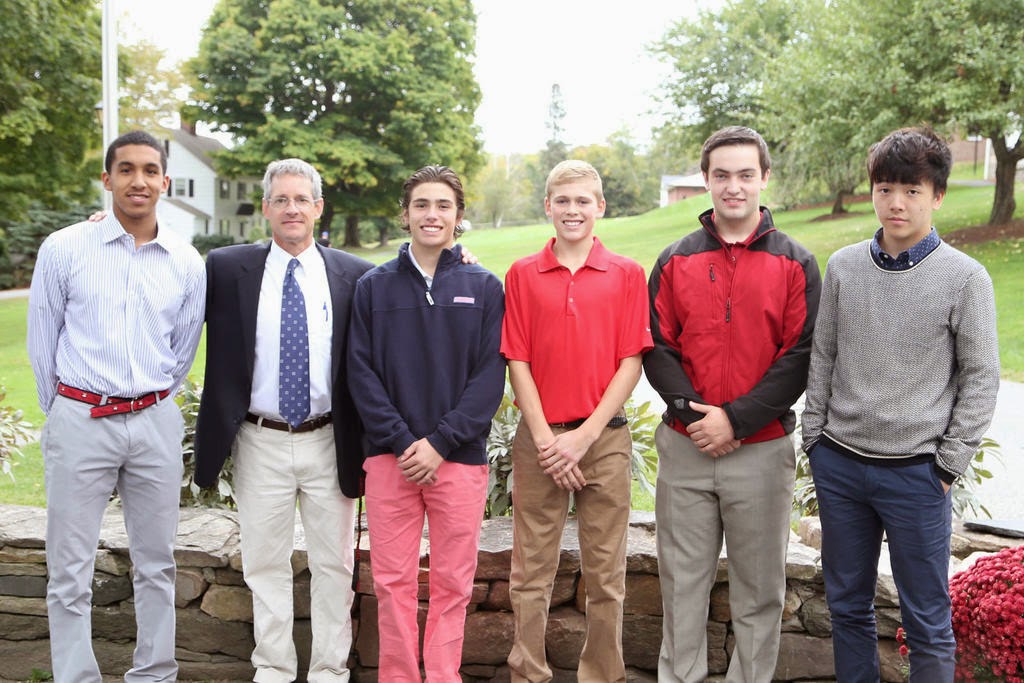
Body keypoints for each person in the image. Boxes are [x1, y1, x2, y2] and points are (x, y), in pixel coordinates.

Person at [801, 128, 1000, 682]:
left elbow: (981, 378)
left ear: (937, 196)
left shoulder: (965, 278)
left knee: (927, 619)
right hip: (840, 465)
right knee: (847, 606)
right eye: (885, 188)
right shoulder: (843, 266)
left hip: (918, 474)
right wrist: (814, 439)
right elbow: (824, 355)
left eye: (912, 191)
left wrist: (948, 465)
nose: (896, 202)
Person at [27, 130, 206, 682]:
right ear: (107, 179)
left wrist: (150, 403)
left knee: (157, 564)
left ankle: (154, 674)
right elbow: (42, 343)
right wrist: (67, 411)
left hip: (154, 422)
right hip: (82, 418)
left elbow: (182, 349)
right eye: (126, 169)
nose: (138, 180)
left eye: (150, 170)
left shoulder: (186, 260)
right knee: (69, 569)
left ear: (165, 182)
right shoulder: (64, 248)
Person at [645, 126, 821, 682]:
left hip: (761, 450)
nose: (734, 187)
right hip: (687, 447)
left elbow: (800, 355)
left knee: (759, 591)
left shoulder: (795, 262)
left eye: (746, 174)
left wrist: (737, 420)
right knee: (681, 587)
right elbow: (658, 347)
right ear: (706, 180)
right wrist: (699, 418)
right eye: (721, 175)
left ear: (764, 178)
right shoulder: (675, 260)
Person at [193, 158, 373, 683]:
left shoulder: (355, 274)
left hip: (329, 437)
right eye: (281, 200)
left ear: (318, 208)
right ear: (266, 208)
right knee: (264, 562)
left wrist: (457, 256)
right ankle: (272, 668)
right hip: (259, 438)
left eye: (301, 200)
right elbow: (165, 280)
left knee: (334, 565)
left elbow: (411, 289)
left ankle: (329, 670)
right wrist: (105, 229)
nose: (291, 208)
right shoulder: (226, 269)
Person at [346, 165, 506, 682]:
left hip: (458, 459)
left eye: (443, 205)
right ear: (405, 213)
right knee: (391, 582)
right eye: (421, 204)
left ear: (458, 216)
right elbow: (360, 373)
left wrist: (440, 442)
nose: (431, 214)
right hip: (389, 458)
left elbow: (489, 377)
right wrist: (401, 441)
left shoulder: (486, 287)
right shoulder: (373, 287)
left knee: (453, 584)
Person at [501, 160, 653, 682]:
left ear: (600, 207)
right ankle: (528, 673)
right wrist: (548, 441)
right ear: (548, 206)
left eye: (583, 201)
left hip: (603, 440)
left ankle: (603, 676)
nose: (573, 210)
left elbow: (631, 363)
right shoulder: (522, 273)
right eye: (563, 201)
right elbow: (517, 359)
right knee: (530, 571)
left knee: (606, 574)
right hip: (539, 439)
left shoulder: (626, 274)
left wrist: (583, 438)